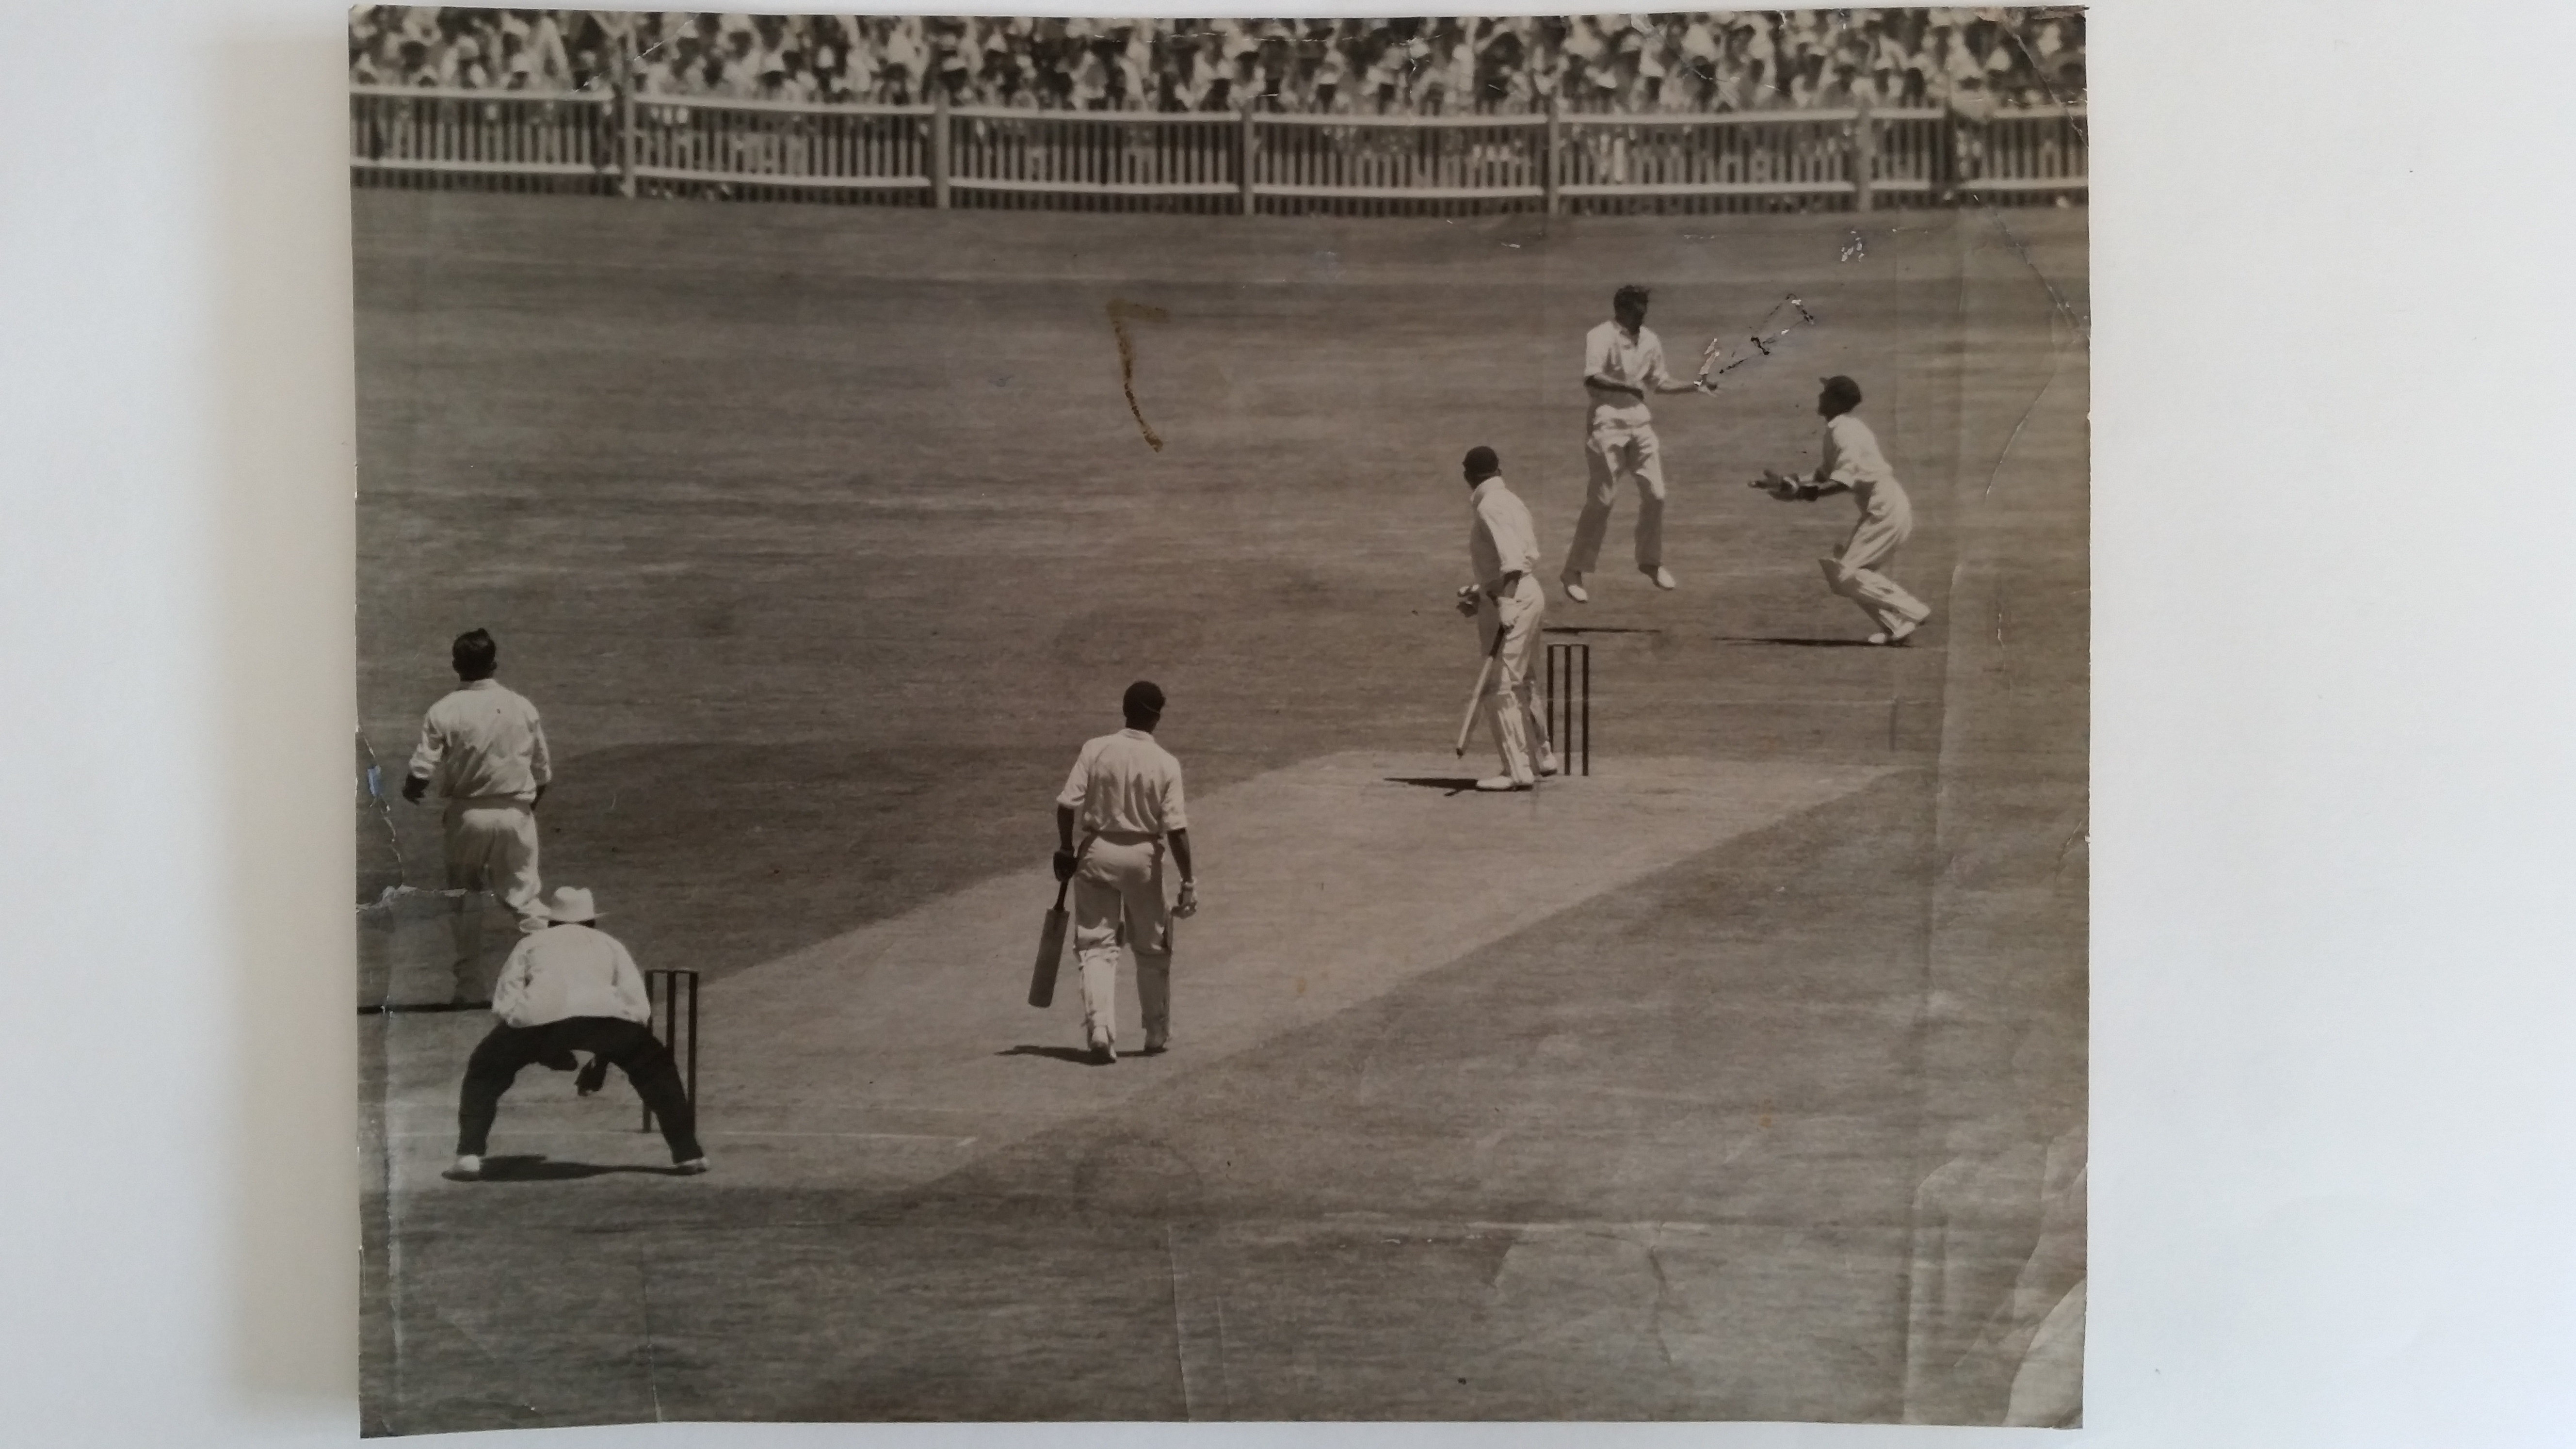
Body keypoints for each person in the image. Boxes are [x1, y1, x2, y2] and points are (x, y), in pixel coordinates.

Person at [447, 887, 708, 1181]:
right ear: (592, 922)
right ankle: (689, 1155)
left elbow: (505, 1005)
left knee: (484, 1070)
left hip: (538, 1019)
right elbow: (638, 1010)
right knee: (658, 1070)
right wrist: (604, 1056)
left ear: (551, 921)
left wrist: (538, 1046)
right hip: (606, 1021)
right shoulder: (610, 944)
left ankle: (468, 1155)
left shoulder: (531, 943)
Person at [403, 628, 552, 1004]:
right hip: (516, 811)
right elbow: (543, 773)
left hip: (467, 816)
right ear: (494, 663)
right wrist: (521, 810)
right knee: (526, 899)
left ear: (456, 665)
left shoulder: (444, 709)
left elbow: (422, 769)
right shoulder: (522, 706)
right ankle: (546, 981)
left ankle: (468, 988)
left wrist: (412, 789)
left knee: (464, 900)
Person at [1053, 682, 1196, 1064]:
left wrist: (1066, 848)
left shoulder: (1096, 748)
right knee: (1151, 948)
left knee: (1096, 945)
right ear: (1156, 716)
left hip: (1096, 851)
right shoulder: (1166, 762)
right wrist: (1188, 881)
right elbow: (1177, 830)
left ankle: (1100, 1028)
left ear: (1125, 709)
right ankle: (1155, 1031)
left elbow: (1067, 805)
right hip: (1143, 858)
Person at [1561, 284, 1710, 603]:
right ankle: (1574, 570)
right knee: (1602, 501)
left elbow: (1659, 382)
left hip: (1640, 424)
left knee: (1656, 494)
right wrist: (1628, 386)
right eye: (1639, 310)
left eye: (1645, 310)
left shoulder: (1651, 340)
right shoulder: (1600, 336)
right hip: (1606, 422)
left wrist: (1694, 386)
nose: (1643, 316)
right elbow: (1592, 377)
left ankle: (1650, 562)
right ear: (1623, 311)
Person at [1758, 375, 1933, 645]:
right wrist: (1788, 483)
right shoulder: (1839, 429)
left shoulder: (1845, 432)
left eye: (1825, 393)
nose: (1820, 397)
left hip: (1885, 509)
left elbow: (1842, 482)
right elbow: (1822, 474)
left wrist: (1801, 493)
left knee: (1844, 575)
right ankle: (1896, 628)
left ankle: (1913, 611)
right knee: (1857, 575)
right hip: (1882, 508)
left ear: (1837, 401)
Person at [1452, 446, 1556, 790]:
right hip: (1525, 593)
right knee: (1523, 678)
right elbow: (1519, 561)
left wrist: (1505, 603)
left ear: (1468, 477)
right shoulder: (1511, 499)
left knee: (1499, 687)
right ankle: (1543, 755)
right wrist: (1482, 593)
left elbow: (1512, 562)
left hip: (1515, 598)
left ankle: (1517, 770)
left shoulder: (1490, 506)